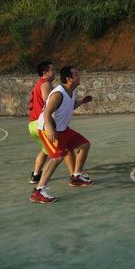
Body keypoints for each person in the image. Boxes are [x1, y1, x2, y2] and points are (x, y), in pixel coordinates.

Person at [30, 66, 94, 203]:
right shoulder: (58, 94)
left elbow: (69, 106)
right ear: (69, 79)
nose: (79, 76)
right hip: (48, 128)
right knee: (57, 158)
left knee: (84, 145)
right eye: (76, 74)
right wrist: (50, 130)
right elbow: (47, 113)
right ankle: (38, 191)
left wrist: (82, 101)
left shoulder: (71, 91)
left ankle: (76, 177)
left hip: (63, 129)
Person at [27, 61, 75, 184]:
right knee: (64, 149)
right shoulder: (45, 84)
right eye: (52, 70)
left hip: (32, 124)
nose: (55, 72)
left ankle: (36, 175)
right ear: (45, 73)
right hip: (42, 124)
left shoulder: (39, 84)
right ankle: (74, 175)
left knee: (45, 150)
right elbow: (48, 101)